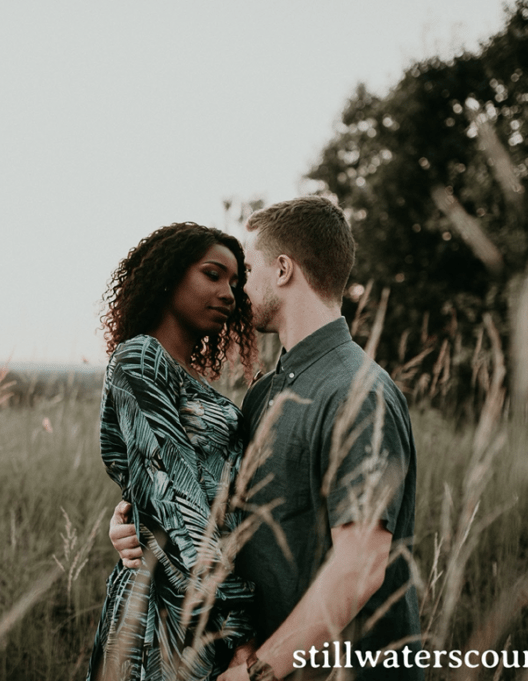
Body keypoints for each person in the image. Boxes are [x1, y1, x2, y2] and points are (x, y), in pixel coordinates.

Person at [110, 196, 421, 681]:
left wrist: (260, 671)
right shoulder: (262, 394)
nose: (237, 291)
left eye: (246, 271)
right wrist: (139, 525)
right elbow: (208, 510)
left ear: (281, 270)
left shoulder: (359, 392)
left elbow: (360, 564)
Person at [86, 222, 261, 681]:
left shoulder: (191, 378)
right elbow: (176, 503)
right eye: (213, 274)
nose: (229, 292)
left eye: (236, 282)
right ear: (168, 276)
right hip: (168, 612)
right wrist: (238, 630)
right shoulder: (139, 360)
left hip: (206, 601)